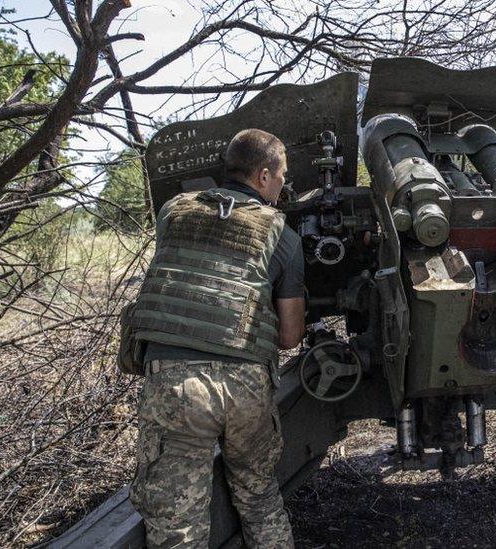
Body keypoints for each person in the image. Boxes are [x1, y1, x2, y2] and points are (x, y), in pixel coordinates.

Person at [128, 128, 305, 548]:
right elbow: (290, 335)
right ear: (263, 176)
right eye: (282, 176)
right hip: (246, 386)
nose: (284, 185)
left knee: (177, 520)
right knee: (260, 499)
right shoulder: (284, 235)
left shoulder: (173, 211)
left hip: (175, 383)